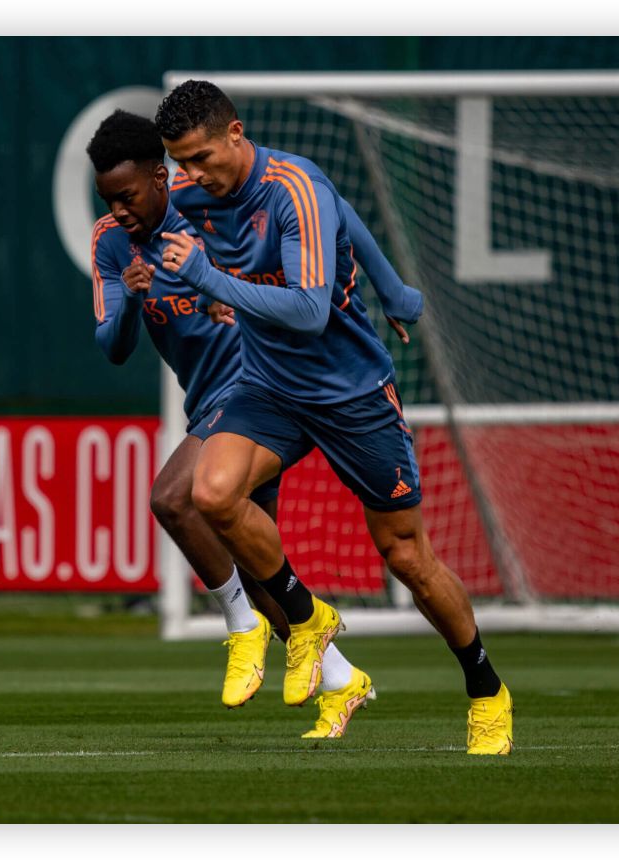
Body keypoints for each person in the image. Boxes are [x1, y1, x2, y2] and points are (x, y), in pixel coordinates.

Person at [155, 82, 513, 754]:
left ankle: (486, 687)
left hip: (351, 393)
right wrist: (392, 287)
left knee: (406, 557)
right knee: (211, 493)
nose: (192, 174)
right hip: (268, 385)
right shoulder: (191, 193)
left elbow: (310, 311)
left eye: (201, 157)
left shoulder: (294, 190)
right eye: (181, 162)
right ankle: (307, 619)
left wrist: (210, 282)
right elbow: (340, 215)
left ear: (236, 133)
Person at [89, 109, 394, 740]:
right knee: (261, 576)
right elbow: (113, 347)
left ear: (160, 177)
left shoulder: (207, 205)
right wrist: (135, 299)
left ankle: (239, 627)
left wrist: (390, 287)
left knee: (173, 498)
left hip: (256, 390)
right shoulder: (110, 243)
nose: (118, 210)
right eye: (107, 199)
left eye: (128, 195)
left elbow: (331, 209)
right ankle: (343, 680)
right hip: (205, 399)